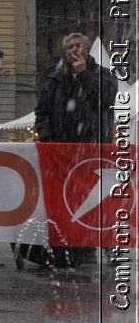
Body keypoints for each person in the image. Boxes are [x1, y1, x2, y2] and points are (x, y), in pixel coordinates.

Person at [32, 33, 120, 266]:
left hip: (93, 149)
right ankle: (73, 246)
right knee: (68, 200)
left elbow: (108, 98)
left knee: (98, 200)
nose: (74, 50)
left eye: (78, 45)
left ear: (87, 49)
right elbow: (41, 113)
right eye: (70, 46)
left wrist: (84, 76)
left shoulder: (103, 74)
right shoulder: (55, 79)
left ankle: (109, 246)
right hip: (62, 152)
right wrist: (49, 139)